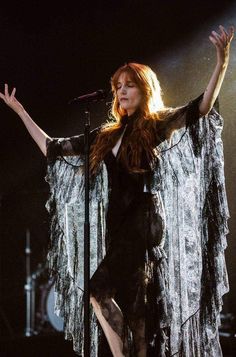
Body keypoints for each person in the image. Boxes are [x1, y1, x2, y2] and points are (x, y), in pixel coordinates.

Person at [0, 25, 234, 357]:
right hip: (118, 224)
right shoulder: (105, 135)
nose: (122, 92)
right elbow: (53, 149)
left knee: (98, 289)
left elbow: (199, 109)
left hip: (144, 222)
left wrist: (221, 63)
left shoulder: (155, 125)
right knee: (136, 312)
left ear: (145, 90)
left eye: (129, 86)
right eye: (118, 87)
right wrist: (21, 112)